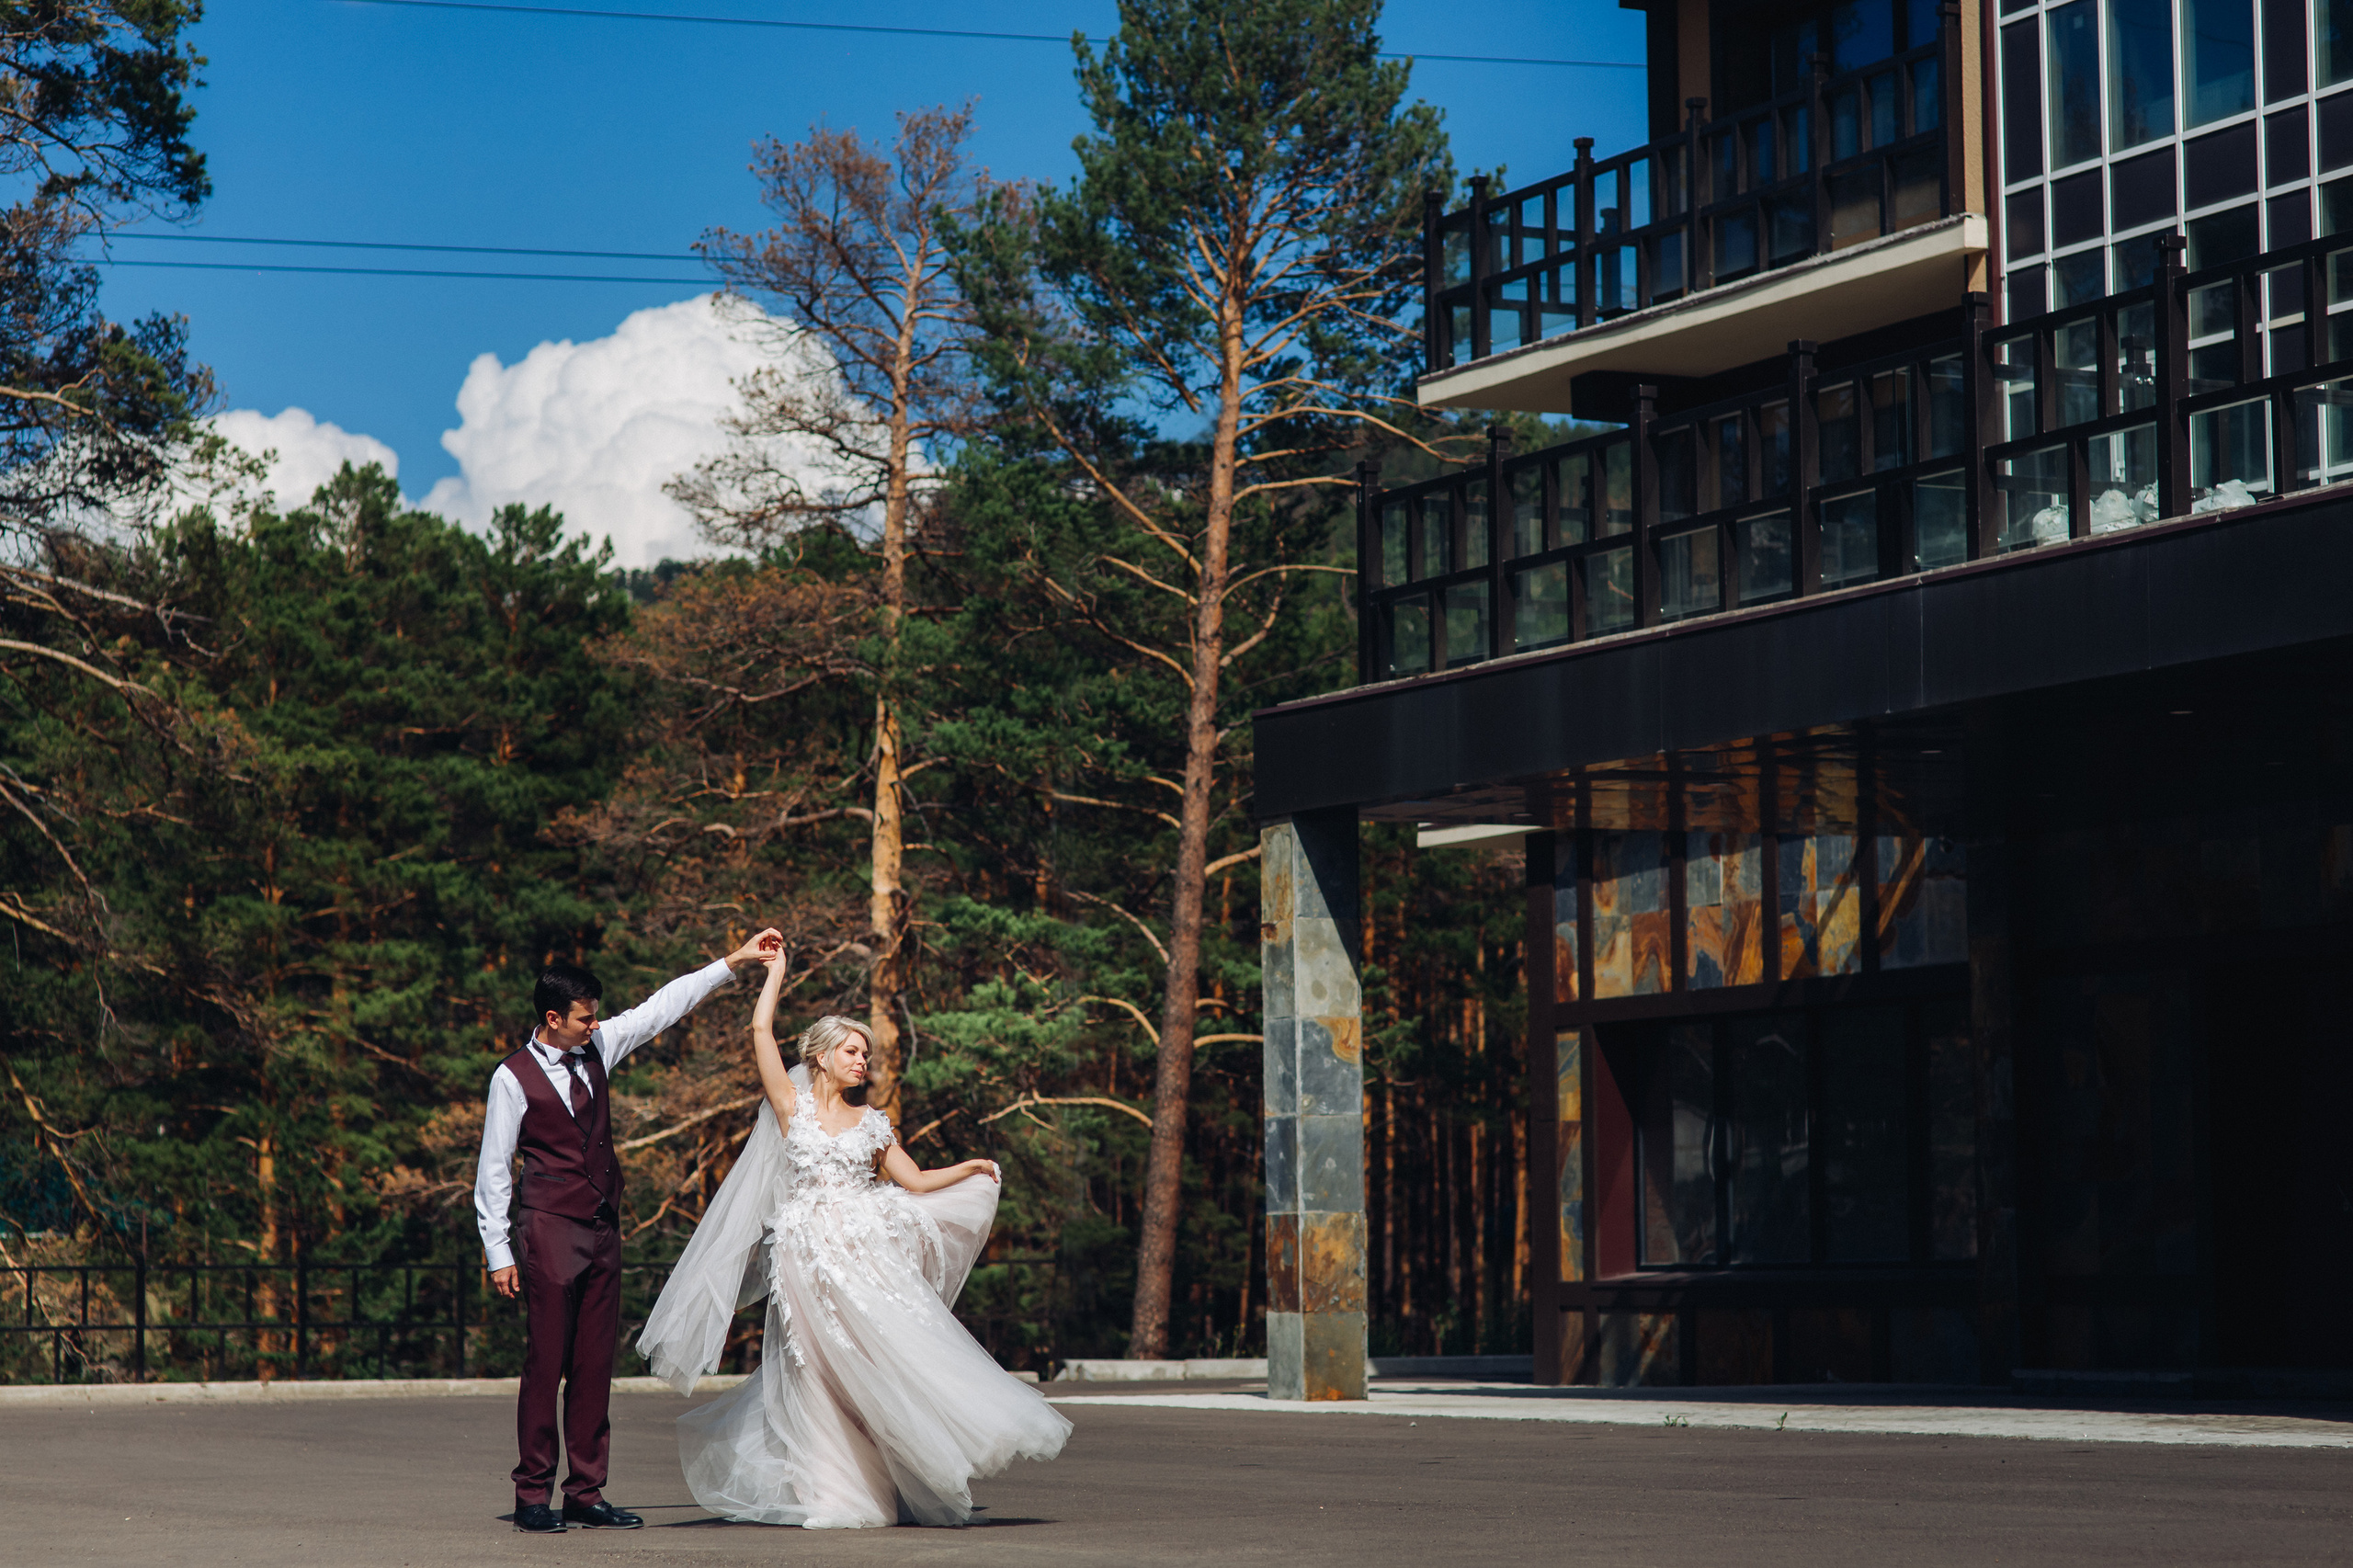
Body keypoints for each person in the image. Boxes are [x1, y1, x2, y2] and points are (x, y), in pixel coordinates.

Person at [635, 946, 1071, 1528]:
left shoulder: (872, 1122)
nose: (862, 1060)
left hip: (863, 1259)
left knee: (873, 1362)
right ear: (821, 1058)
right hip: (803, 1257)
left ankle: (900, 1470)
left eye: (865, 1053)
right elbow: (760, 1027)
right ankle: (836, 1493)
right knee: (814, 1371)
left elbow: (913, 1180)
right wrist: (774, 972)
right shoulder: (792, 1109)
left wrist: (967, 1168)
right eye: (851, 1051)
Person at [474, 931, 783, 1535]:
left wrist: (733, 962)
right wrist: (498, 1252)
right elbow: (493, 1168)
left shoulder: (601, 1046)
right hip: (547, 1230)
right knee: (546, 1364)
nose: (596, 1025)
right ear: (552, 1018)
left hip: (602, 1228)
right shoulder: (510, 1078)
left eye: (596, 1018)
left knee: (594, 1365)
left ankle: (586, 1493)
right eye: (584, 1019)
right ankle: (532, 1494)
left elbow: (661, 1008)